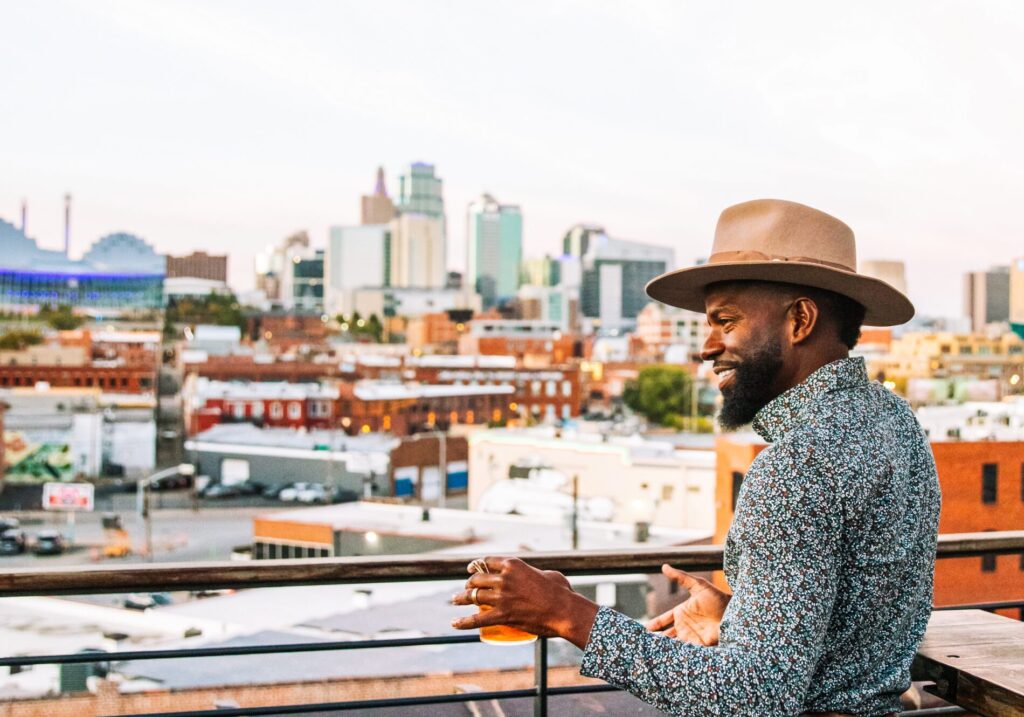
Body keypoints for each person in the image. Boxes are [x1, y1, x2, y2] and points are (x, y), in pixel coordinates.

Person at [452, 199, 941, 717]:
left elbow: (754, 696)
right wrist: (744, 619)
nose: (706, 347)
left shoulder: (798, 465)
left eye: (725, 322)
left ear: (800, 320)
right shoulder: (894, 420)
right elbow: (857, 621)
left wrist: (564, 613)